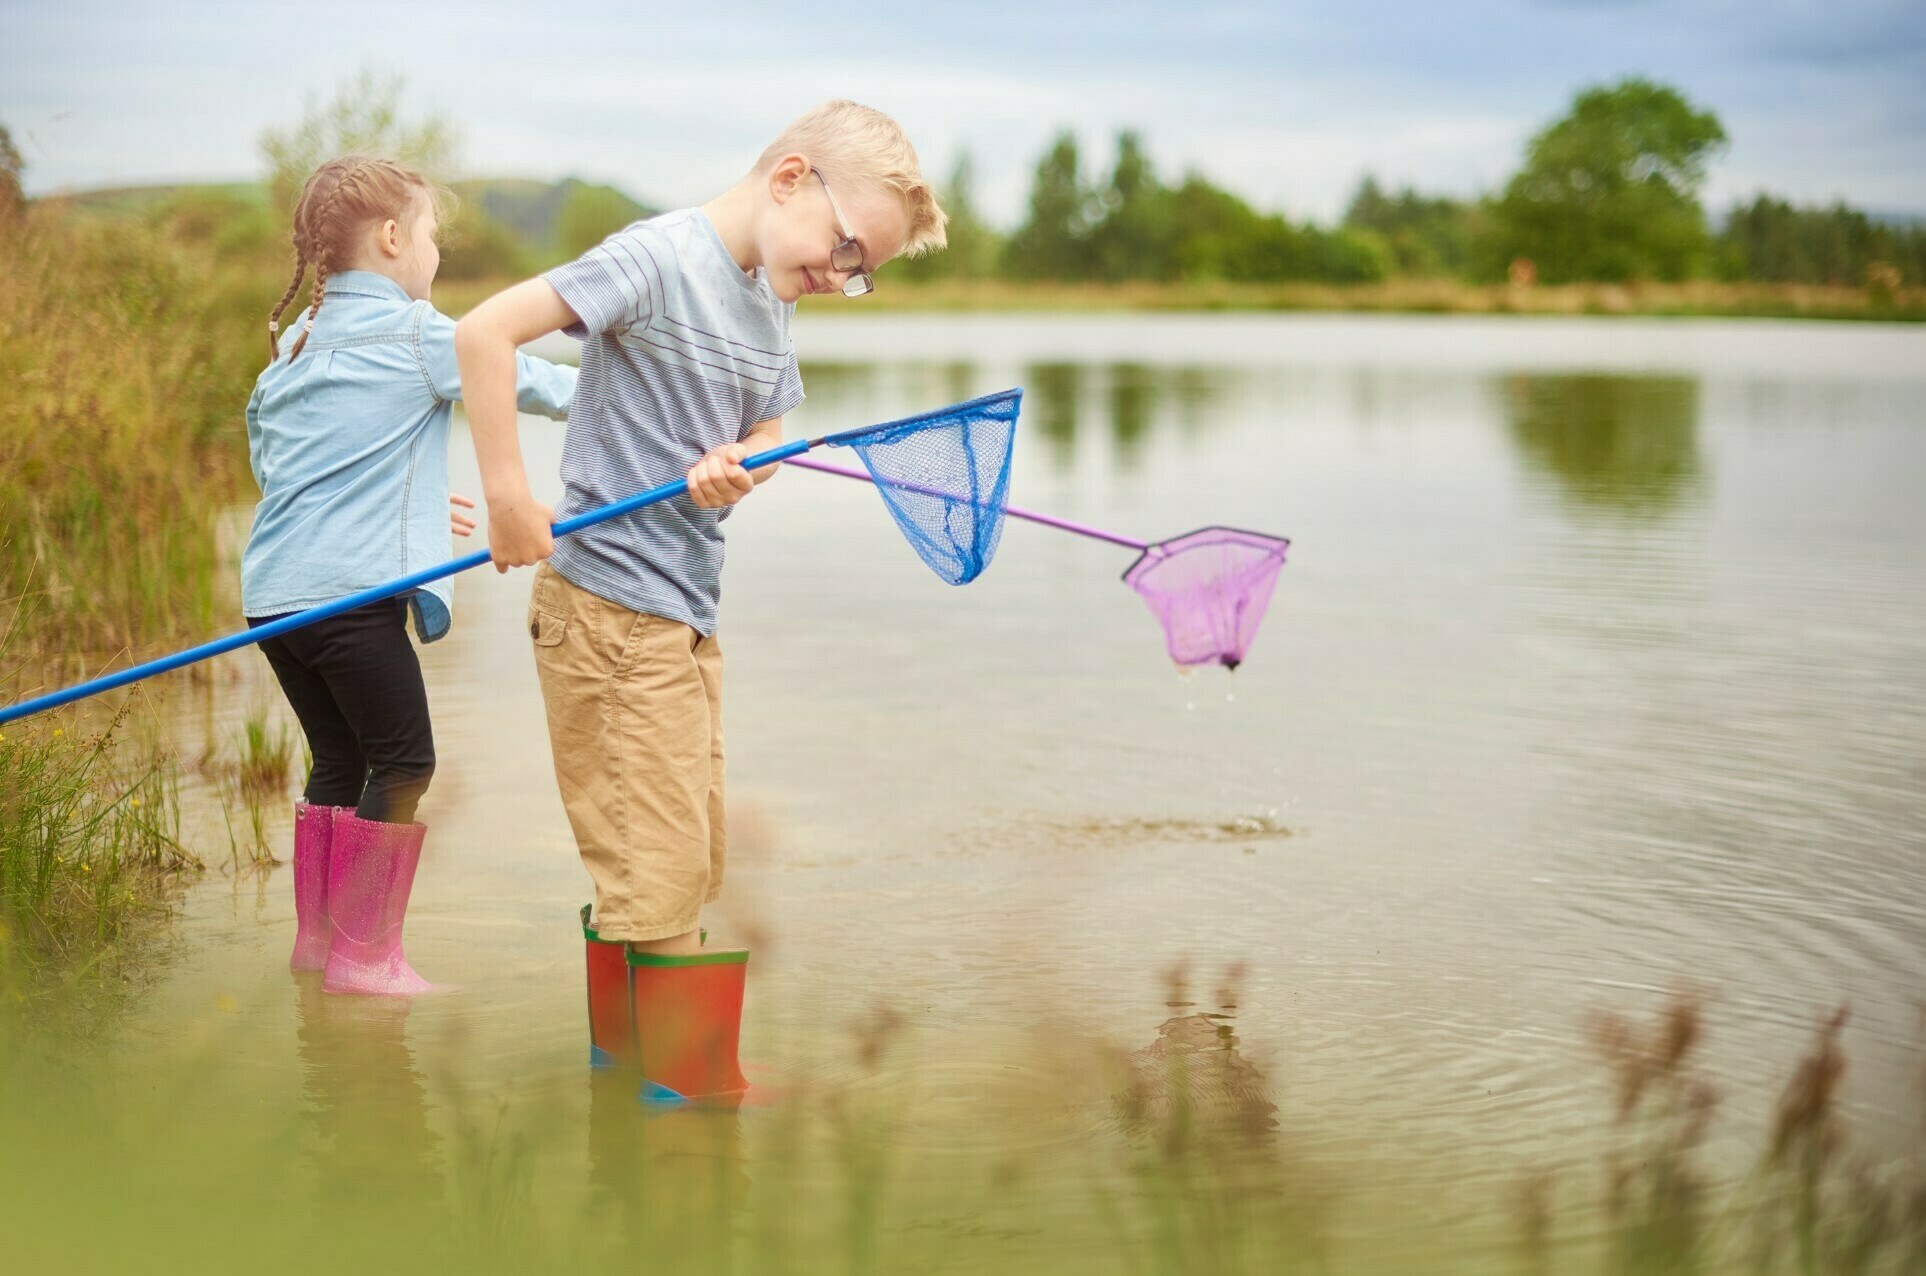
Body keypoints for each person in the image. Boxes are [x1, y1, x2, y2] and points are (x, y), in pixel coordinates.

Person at [455, 100, 946, 1097]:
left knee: (679, 845)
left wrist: (742, 465)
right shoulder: (658, 259)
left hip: (681, 614)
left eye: (863, 273)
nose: (843, 278)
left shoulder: (771, 298)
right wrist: (510, 497)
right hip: (606, 611)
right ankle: (684, 1084)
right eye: (848, 250)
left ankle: (632, 1058)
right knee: (663, 856)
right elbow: (484, 331)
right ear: (790, 178)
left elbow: (772, 426)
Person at [243, 156, 576, 995]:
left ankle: (318, 948)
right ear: (394, 238)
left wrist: (418, 507)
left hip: (276, 600)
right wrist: (661, 402)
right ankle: (366, 958)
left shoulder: (296, 341)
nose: (435, 254)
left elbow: (282, 463)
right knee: (405, 764)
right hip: (350, 601)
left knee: (338, 760)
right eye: (431, 235)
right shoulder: (422, 331)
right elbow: (533, 384)